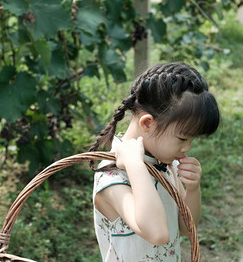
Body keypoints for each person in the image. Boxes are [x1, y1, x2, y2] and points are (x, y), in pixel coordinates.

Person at [89, 62, 220, 261]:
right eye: (183, 139)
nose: (187, 148)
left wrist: (193, 189)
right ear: (148, 123)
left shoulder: (166, 164)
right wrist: (135, 165)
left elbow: (187, 228)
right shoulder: (112, 177)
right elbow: (157, 234)